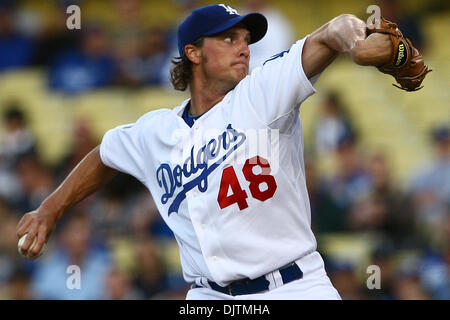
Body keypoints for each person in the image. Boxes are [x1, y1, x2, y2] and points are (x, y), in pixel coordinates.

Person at [16, 4, 395, 300]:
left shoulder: (263, 93)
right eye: (229, 39)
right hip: (207, 295)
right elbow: (105, 155)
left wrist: (354, 38)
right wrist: (50, 210)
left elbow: (329, 33)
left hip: (294, 286)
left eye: (245, 39)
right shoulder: (156, 131)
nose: (244, 48)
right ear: (193, 53)